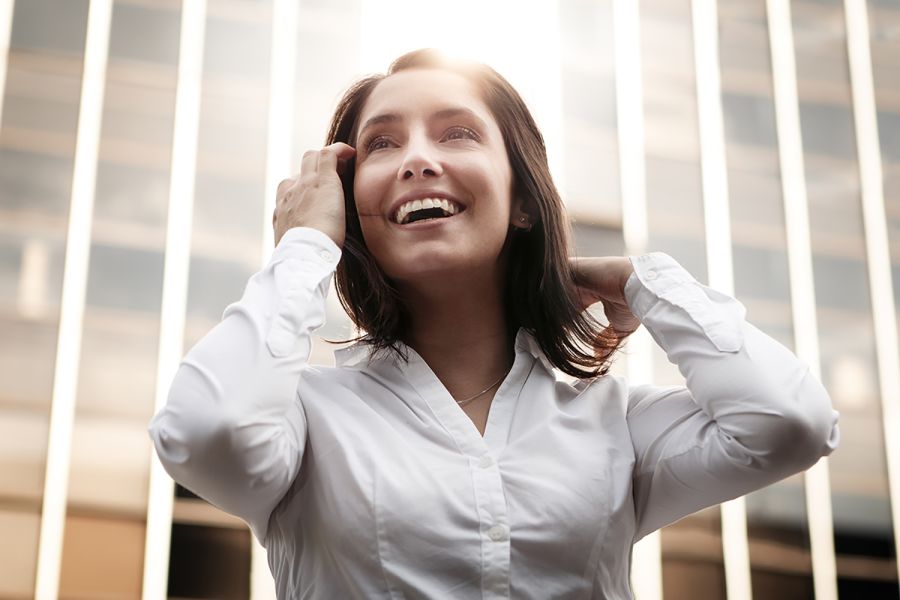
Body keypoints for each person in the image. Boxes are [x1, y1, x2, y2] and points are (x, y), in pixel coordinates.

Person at [149, 49, 839, 599]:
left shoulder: (613, 425)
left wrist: (642, 284)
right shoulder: (304, 421)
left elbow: (790, 424)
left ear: (522, 202)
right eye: (382, 145)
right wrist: (303, 248)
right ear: (350, 209)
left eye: (458, 133)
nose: (420, 159)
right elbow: (202, 432)